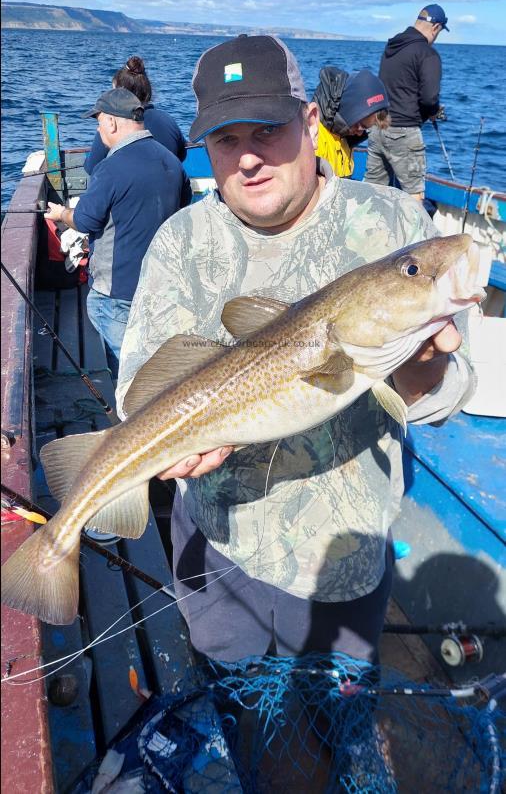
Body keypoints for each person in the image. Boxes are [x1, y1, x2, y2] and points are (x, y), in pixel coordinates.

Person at [116, 34, 474, 667]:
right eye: (227, 140)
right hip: (222, 547)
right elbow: (138, 390)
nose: (248, 159)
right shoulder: (181, 242)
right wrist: (163, 446)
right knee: (241, 712)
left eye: (268, 130)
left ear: (310, 121)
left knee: (338, 718)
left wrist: (427, 367)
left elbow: (448, 392)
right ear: (206, 148)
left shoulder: (395, 227)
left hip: (346, 554)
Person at [46, 87, 192, 377]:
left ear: (111, 122)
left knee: (130, 372)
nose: (99, 130)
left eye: (99, 123)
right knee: (154, 361)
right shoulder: (172, 163)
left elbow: (85, 220)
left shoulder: (111, 168)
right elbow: (183, 205)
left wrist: (61, 214)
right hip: (161, 286)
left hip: (116, 294)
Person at [365, 3, 449, 201]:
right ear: (436, 27)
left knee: (373, 192)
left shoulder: (392, 46)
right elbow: (429, 99)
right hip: (405, 133)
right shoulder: (427, 53)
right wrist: (435, 111)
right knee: (414, 197)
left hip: (378, 129)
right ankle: (414, 233)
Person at [84, 55, 187, 175]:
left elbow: (91, 168)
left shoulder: (114, 125)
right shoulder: (168, 121)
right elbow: (181, 156)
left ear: (120, 94)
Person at [314, 66, 389, 177]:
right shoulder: (315, 138)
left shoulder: (345, 138)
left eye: (365, 128)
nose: (359, 133)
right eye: (360, 126)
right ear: (349, 112)